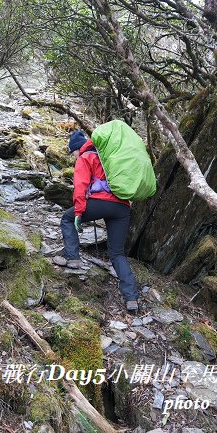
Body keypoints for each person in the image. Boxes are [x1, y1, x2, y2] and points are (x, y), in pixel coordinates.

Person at [52, 129, 140, 313]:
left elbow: (80, 186)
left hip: (101, 202)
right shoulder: (107, 155)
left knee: (67, 219)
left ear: (77, 148)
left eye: (73, 152)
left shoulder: (85, 157)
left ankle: (72, 257)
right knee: (117, 253)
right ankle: (131, 298)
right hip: (122, 207)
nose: (74, 156)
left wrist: (78, 211)